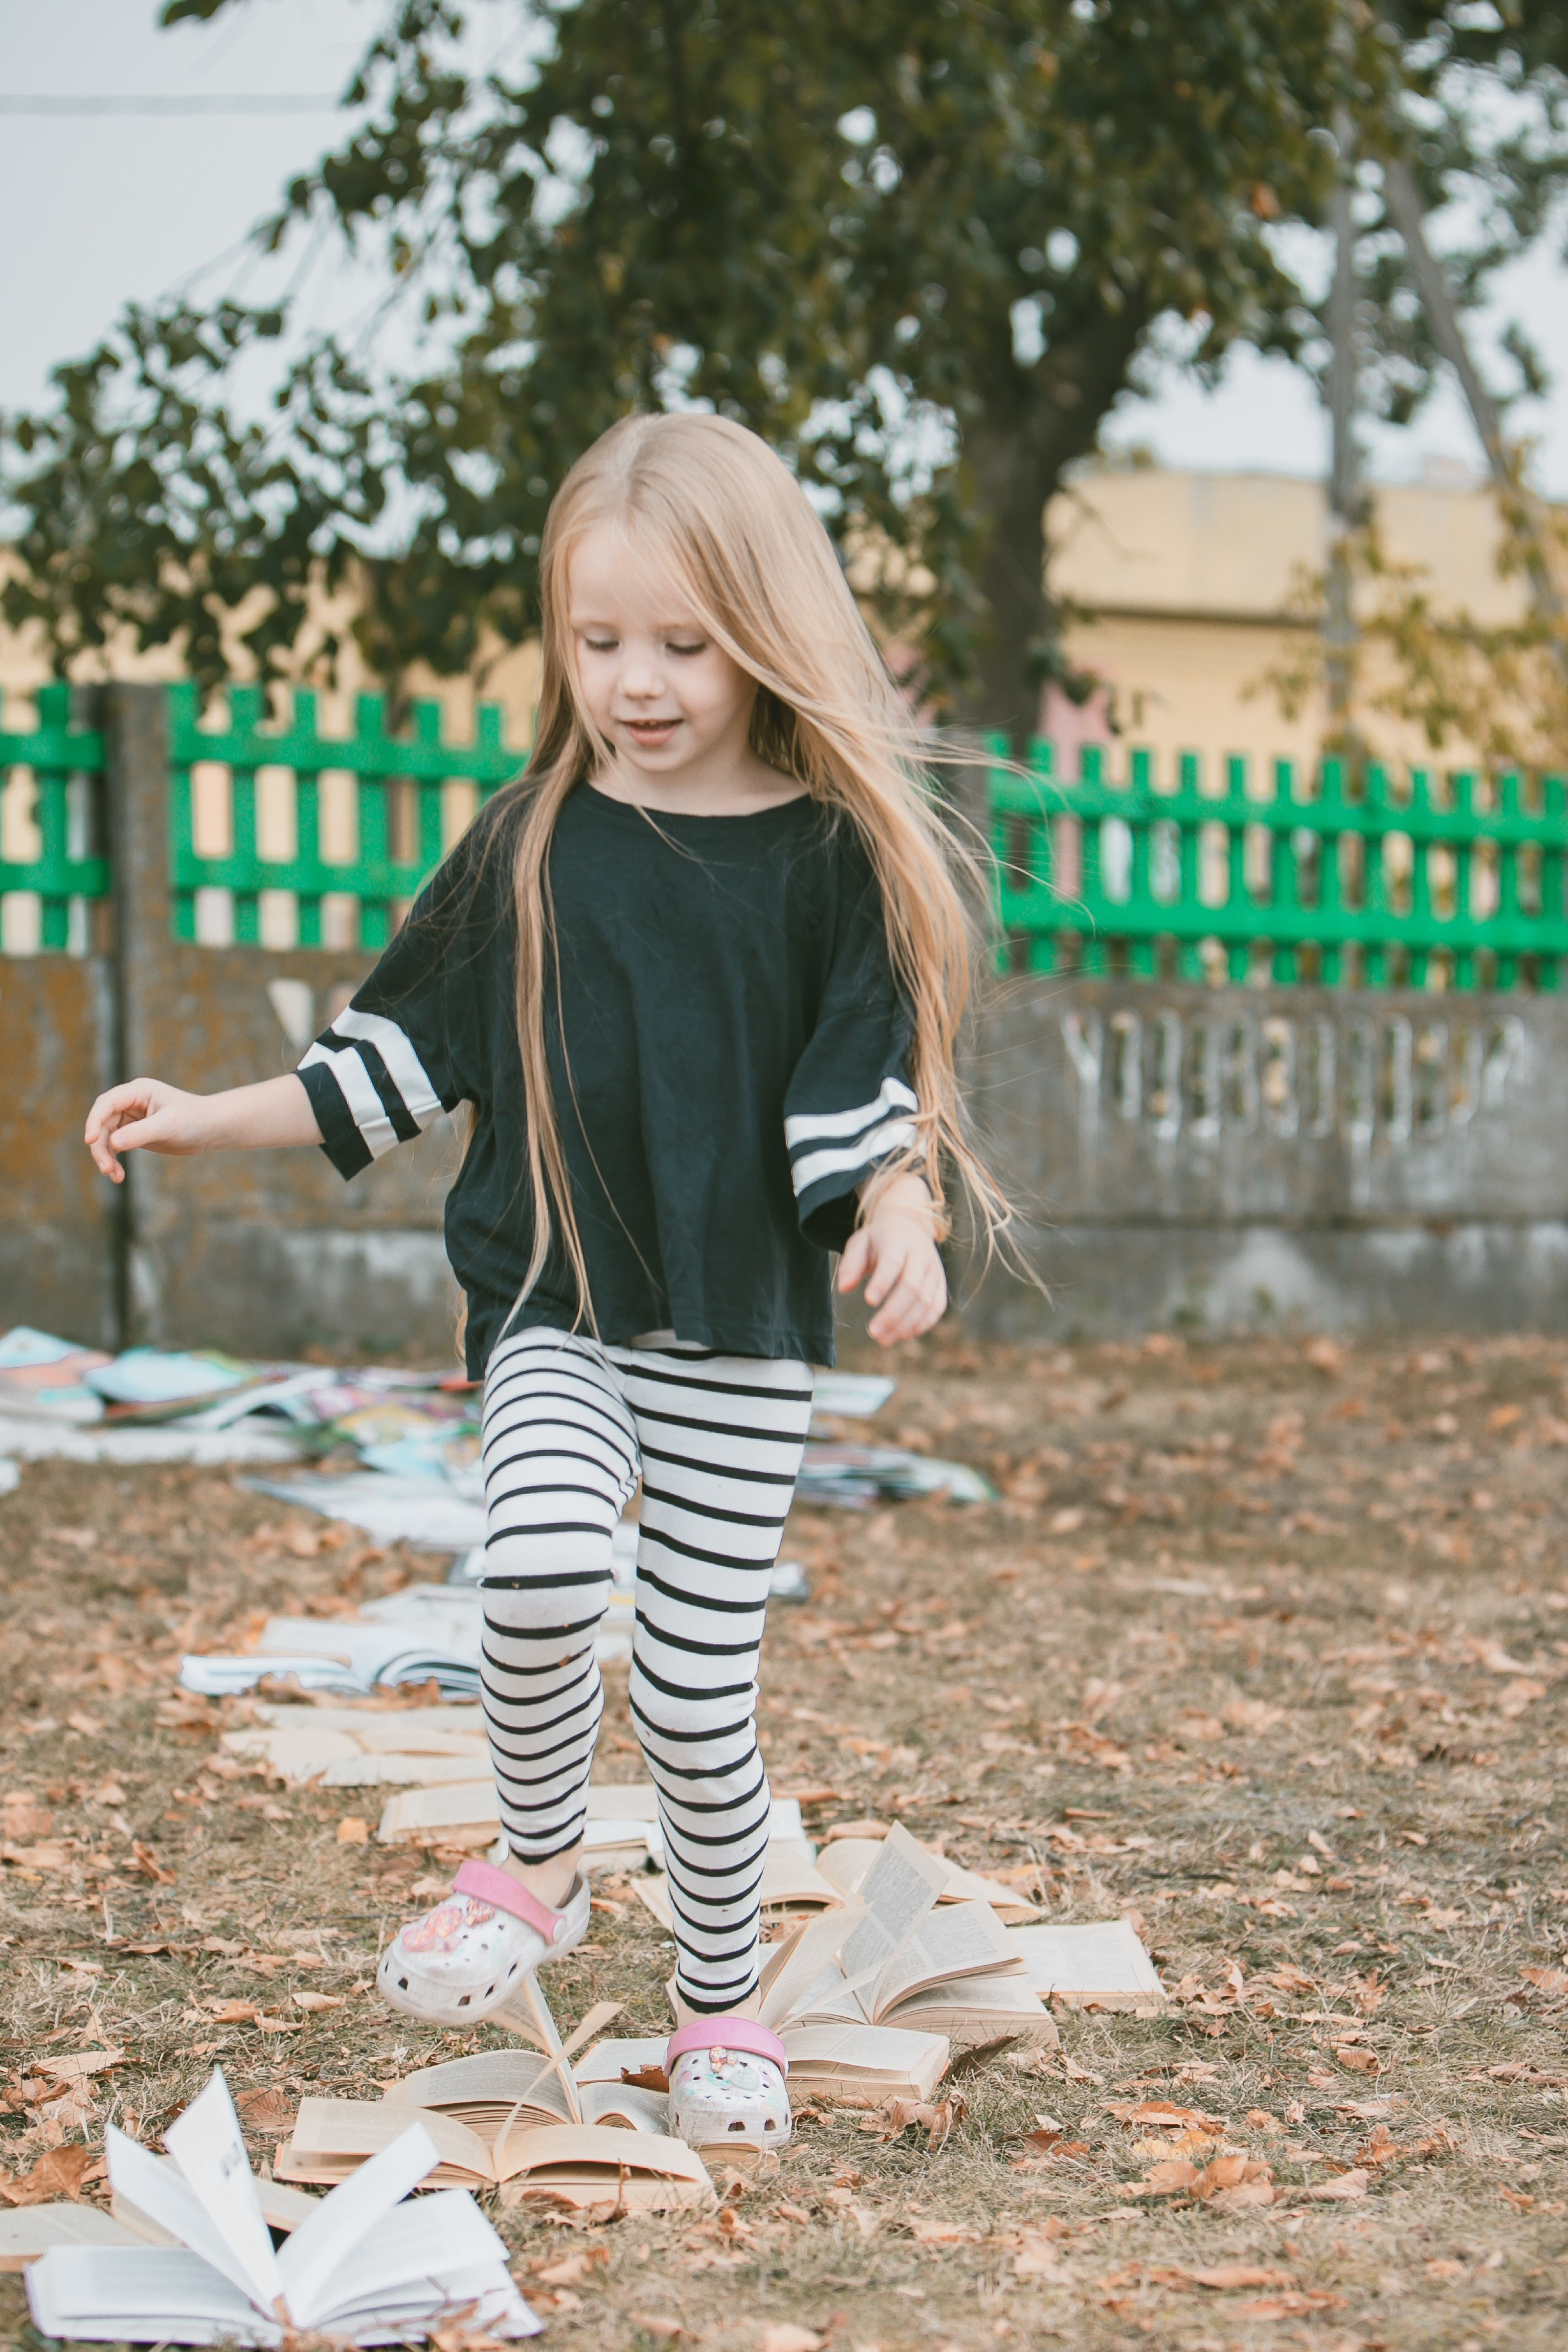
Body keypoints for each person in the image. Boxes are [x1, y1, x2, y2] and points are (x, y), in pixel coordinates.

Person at [83, 411, 1008, 2154]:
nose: (638, 682)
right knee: (533, 1571)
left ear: (764, 630)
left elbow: (854, 1095)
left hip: (735, 1336)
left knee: (691, 1688)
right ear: (559, 635)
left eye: (683, 643)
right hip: (555, 1312)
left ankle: (719, 2002)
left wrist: (899, 1207)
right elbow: (388, 1059)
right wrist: (207, 1114)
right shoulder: (525, 840)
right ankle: (530, 1866)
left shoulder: (828, 863)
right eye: (599, 643)